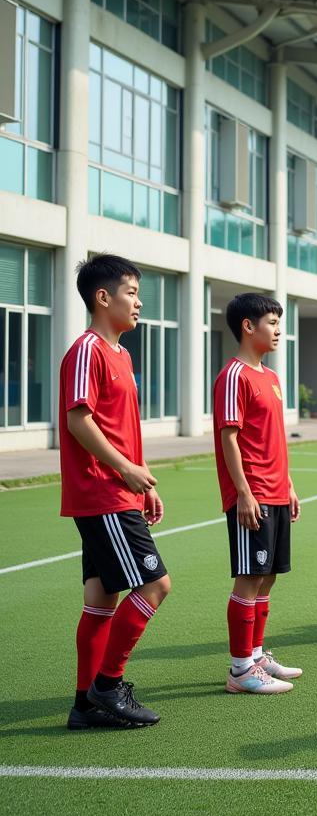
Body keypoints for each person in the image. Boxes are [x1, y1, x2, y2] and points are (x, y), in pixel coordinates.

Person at [60, 255, 169, 729]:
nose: (139, 302)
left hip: (120, 490)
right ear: (103, 298)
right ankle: (109, 684)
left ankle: (85, 704)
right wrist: (124, 470)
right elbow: (77, 418)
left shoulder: (121, 355)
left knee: (101, 598)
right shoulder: (88, 349)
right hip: (103, 492)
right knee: (155, 585)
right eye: (131, 292)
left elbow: (120, 429)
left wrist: (140, 478)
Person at [213, 293, 302, 695]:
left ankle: (256, 654)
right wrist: (244, 493)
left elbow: (272, 439)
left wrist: (289, 487)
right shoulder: (235, 375)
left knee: (267, 578)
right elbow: (229, 438)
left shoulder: (270, 376)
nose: (278, 329)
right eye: (271, 321)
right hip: (254, 495)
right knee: (249, 578)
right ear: (248, 326)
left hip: (276, 491)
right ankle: (239, 670)